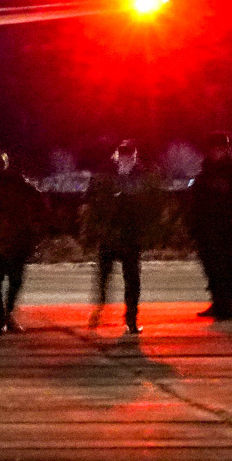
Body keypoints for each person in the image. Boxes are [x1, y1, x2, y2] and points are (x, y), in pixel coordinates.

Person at [86, 140, 154, 334]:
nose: (126, 158)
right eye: (124, 154)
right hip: (113, 234)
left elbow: (149, 201)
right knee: (107, 278)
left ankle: (129, 318)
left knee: (129, 280)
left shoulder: (138, 174)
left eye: (128, 155)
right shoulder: (109, 174)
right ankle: (103, 311)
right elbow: (92, 195)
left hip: (128, 235)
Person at [0, 149, 43, 334]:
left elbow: (36, 198)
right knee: (5, 280)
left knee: (5, 281)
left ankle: (2, 318)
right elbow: (37, 197)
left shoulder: (6, 182)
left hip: (5, 237)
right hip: (3, 237)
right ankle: (3, 318)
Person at [189, 132, 232, 320]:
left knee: (224, 265)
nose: (217, 151)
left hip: (224, 224)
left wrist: (226, 190)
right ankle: (217, 302)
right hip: (206, 224)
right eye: (214, 148)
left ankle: (227, 307)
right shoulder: (206, 168)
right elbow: (197, 196)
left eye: (221, 148)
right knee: (210, 265)